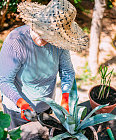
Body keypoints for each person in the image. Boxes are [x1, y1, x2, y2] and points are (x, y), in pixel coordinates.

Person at [0, 0, 88, 130]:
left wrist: (65, 97)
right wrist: (21, 103)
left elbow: (67, 72)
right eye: (41, 31)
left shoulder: (59, 44)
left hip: (45, 106)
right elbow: (4, 80)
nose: (42, 38)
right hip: (18, 109)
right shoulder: (16, 42)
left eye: (50, 36)